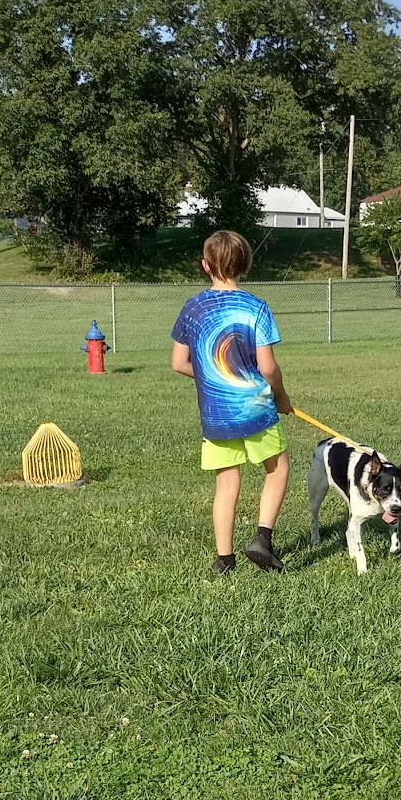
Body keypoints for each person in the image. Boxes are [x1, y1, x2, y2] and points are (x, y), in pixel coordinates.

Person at [170, 229, 292, 575]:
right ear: (245, 265)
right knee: (277, 468)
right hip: (256, 409)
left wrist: (214, 378)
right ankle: (262, 540)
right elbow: (267, 366)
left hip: (216, 415)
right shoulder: (256, 307)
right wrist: (281, 397)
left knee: (226, 483)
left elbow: (179, 363)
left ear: (205, 265)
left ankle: (225, 560)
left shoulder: (192, 308)